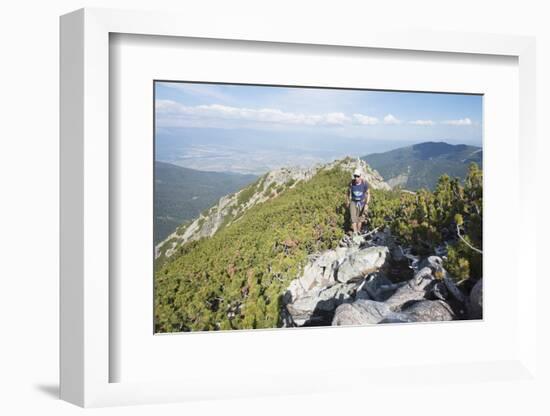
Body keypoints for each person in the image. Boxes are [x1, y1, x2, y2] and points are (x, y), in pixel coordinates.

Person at [346, 168, 370, 235]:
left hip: (362, 202)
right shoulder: (351, 183)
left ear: (360, 176)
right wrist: (347, 201)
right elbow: (348, 192)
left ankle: (358, 231)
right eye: (355, 176)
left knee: (360, 219)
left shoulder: (364, 183)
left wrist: (366, 204)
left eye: (358, 176)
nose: (356, 178)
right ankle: (355, 232)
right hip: (353, 202)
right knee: (353, 218)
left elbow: (368, 193)